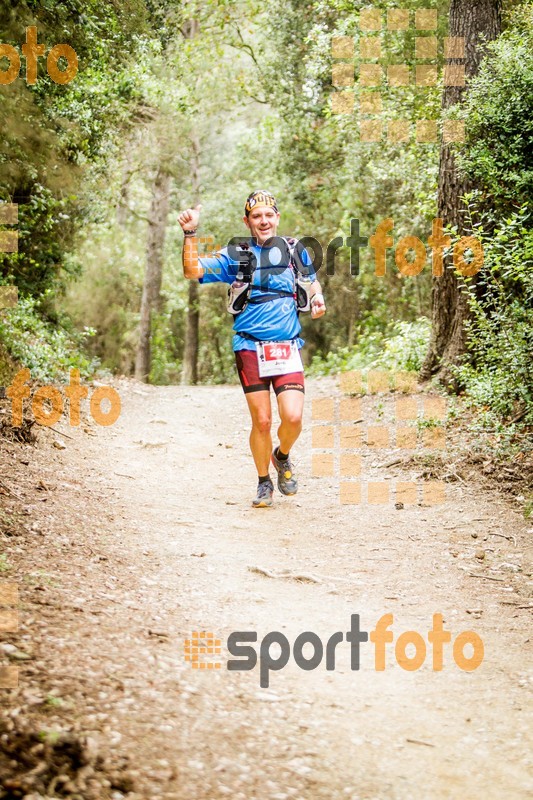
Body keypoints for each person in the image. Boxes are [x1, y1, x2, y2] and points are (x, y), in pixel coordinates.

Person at [178, 190, 326, 508]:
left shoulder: (294, 249)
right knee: (262, 421)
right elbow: (193, 271)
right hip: (249, 346)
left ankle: (281, 455)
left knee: (294, 417)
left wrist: (317, 297)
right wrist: (190, 234)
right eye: (256, 216)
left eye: (269, 215)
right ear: (247, 221)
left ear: (277, 218)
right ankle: (263, 483)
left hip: (286, 346)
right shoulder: (237, 254)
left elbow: (312, 281)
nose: (263, 221)